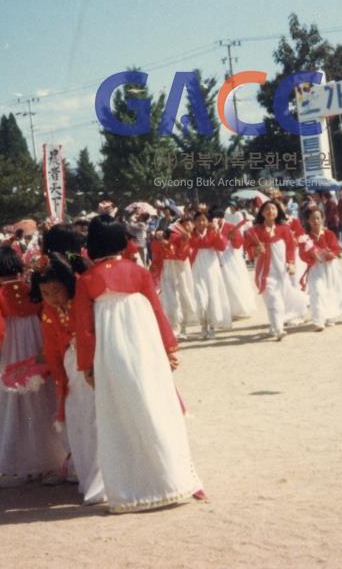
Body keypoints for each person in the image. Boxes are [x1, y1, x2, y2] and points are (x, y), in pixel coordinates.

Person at [71, 215, 203, 514]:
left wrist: (87, 366)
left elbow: (85, 328)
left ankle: (131, 488)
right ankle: (171, 479)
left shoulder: (88, 281)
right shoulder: (138, 272)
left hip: (110, 352)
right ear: (123, 241)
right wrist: (169, 346)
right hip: (146, 348)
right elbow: (157, 311)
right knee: (154, 404)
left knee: (119, 413)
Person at [0, 245, 66, 487]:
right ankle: (50, 456)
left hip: (9, 347)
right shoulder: (30, 287)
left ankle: (13, 461)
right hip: (35, 341)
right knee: (40, 394)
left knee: (9, 399)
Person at [32, 253, 105, 505]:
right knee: (78, 419)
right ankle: (86, 477)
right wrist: (59, 380)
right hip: (70, 369)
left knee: (96, 418)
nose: (51, 297)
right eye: (44, 293)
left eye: (56, 290)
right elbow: (52, 348)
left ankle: (102, 481)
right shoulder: (48, 313)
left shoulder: (83, 302)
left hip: (93, 361)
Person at [244, 200, 309, 341]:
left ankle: (274, 326)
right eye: (267, 209)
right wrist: (256, 250)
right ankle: (279, 329)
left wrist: (291, 263)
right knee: (273, 300)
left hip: (281, 272)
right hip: (265, 273)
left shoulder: (284, 229)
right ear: (261, 212)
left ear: (278, 212)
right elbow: (248, 248)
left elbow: (291, 247)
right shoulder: (254, 231)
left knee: (282, 298)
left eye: (273, 209)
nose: (270, 211)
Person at [298, 206, 342, 330]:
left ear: (322, 219)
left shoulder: (329, 234)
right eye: (312, 219)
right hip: (315, 268)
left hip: (330, 267)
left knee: (331, 290)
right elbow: (302, 254)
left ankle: (330, 316)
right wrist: (311, 256)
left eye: (318, 218)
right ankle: (318, 320)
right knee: (317, 291)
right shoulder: (305, 238)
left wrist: (328, 253)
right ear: (308, 221)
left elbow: (336, 248)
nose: (315, 221)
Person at [186, 210, 232, 339]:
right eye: (198, 220)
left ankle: (211, 326)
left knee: (212, 296)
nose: (201, 222)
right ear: (194, 222)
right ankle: (203, 324)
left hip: (211, 267)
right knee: (200, 298)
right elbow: (184, 249)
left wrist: (217, 231)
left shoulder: (213, 233)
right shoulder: (190, 235)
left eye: (204, 220)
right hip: (197, 267)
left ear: (208, 222)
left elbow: (222, 247)